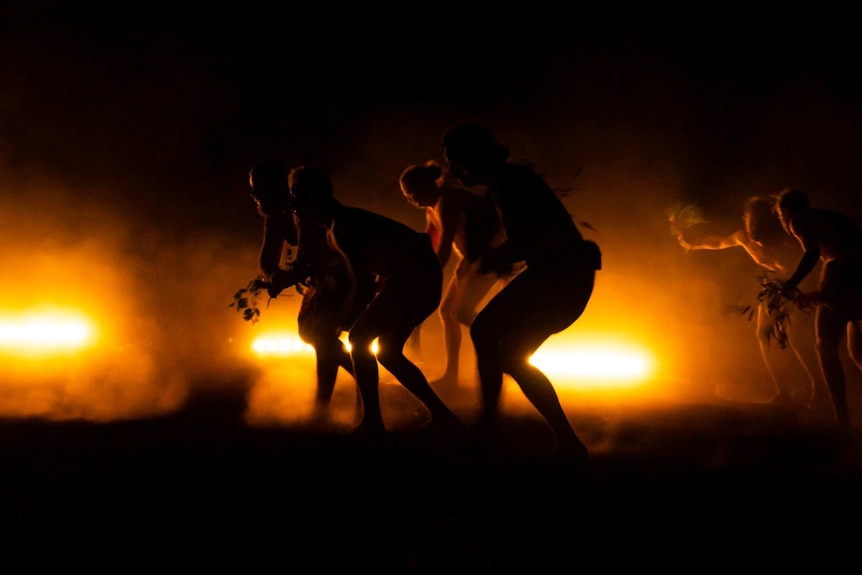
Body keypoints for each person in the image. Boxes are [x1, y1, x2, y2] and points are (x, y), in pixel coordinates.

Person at [441, 123, 601, 459]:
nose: (452, 172)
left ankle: (488, 429)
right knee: (508, 353)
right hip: (561, 274)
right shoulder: (506, 181)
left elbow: (527, 240)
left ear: (470, 159)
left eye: (454, 162)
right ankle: (565, 442)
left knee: (487, 332)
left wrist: (492, 257)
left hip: (561, 277)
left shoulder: (508, 182)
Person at [287, 164, 460, 435]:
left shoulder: (343, 227)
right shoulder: (337, 226)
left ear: (317, 197)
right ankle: (442, 415)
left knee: (359, 339)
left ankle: (373, 422)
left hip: (416, 280)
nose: (293, 202)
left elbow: (362, 282)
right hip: (414, 279)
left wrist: (342, 318)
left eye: (299, 194)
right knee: (389, 352)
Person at [248, 159, 376, 423]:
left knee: (321, 337)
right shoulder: (277, 217)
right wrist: (272, 277)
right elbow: (268, 258)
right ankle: (353, 394)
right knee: (316, 337)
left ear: (277, 188)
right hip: (321, 277)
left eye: (258, 188)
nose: (254, 196)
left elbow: (313, 258)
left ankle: (327, 407)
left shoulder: (305, 209)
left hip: (346, 273)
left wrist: (290, 276)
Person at [675, 196, 825, 407]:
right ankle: (784, 391)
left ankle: (820, 389)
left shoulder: (787, 238)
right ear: (745, 220)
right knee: (764, 334)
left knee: (797, 338)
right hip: (775, 287)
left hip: (799, 284)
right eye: (752, 221)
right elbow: (718, 242)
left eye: (760, 221)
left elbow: (812, 257)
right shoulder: (743, 237)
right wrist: (693, 244)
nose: (755, 226)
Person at [399, 160, 521, 392]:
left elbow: (443, 248)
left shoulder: (447, 202)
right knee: (448, 311)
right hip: (473, 258)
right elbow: (429, 244)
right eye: (407, 196)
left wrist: (427, 278)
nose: (411, 199)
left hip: (492, 255)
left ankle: (506, 343)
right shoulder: (432, 209)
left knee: (461, 311)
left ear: (426, 186)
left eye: (412, 193)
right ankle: (452, 374)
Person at [775, 188, 862, 426]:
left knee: (825, 346)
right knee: (858, 354)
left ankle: (842, 419)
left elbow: (814, 254)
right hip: (857, 277)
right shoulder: (828, 218)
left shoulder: (799, 219)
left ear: (786, 211)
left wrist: (791, 283)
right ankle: (843, 417)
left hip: (843, 274)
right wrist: (817, 294)